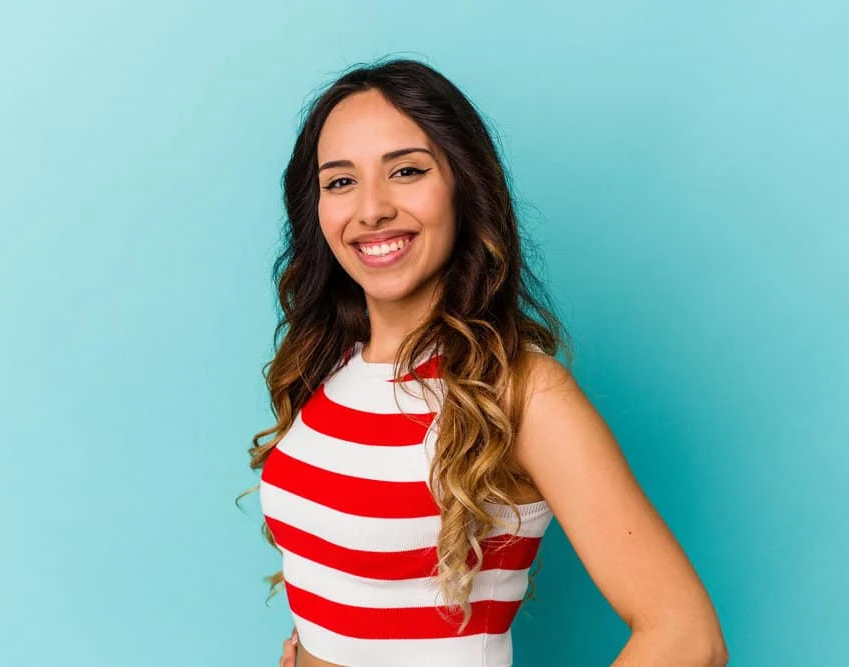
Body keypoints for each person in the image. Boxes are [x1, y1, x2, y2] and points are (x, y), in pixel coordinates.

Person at [245, 57, 728, 667]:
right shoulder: (329, 366)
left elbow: (687, 636)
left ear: (464, 185)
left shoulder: (523, 391)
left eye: (407, 171)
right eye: (341, 181)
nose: (371, 209)